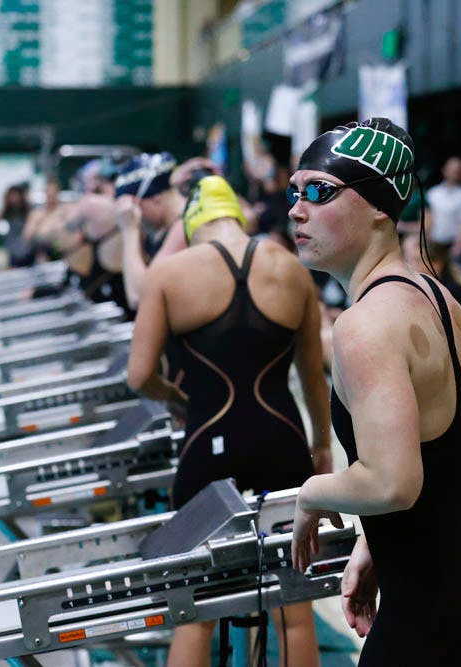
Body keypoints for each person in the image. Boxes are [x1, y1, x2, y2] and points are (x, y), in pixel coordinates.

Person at [288, 118, 461, 665]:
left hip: (432, 612)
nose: (297, 209)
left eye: (319, 191)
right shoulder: (440, 299)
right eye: (294, 192)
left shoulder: (364, 326)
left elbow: (394, 482)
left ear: (377, 207)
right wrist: (374, 543)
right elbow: (439, 461)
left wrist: (310, 494)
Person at [127, 175, 332, 667]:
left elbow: (139, 375)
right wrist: (322, 449)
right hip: (283, 442)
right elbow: (313, 377)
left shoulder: (170, 274)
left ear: (194, 223)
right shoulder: (292, 268)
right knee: (294, 610)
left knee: (196, 610)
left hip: (206, 443)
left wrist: (177, 398)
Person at [113, 153, 187, 310]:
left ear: (156, 198)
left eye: (136, 208)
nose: (138, 217)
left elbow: (138, 297)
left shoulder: (183, 226)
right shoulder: (166, 227)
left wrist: (129, 230)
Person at [424, 156, 461, 246]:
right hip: (432, 243)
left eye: (458, 170)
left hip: (454, 245)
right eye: (452, 169)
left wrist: (458, 247)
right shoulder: (432, 193)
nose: (455, 172)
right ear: (444, 170)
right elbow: (426, 220)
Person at [0, 184, 33, 266]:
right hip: (13, 252)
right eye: (11, 196)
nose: (14, 199)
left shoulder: (29, 209)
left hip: (28, 250)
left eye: (16, 195)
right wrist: (3, 207)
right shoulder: (7, 211)